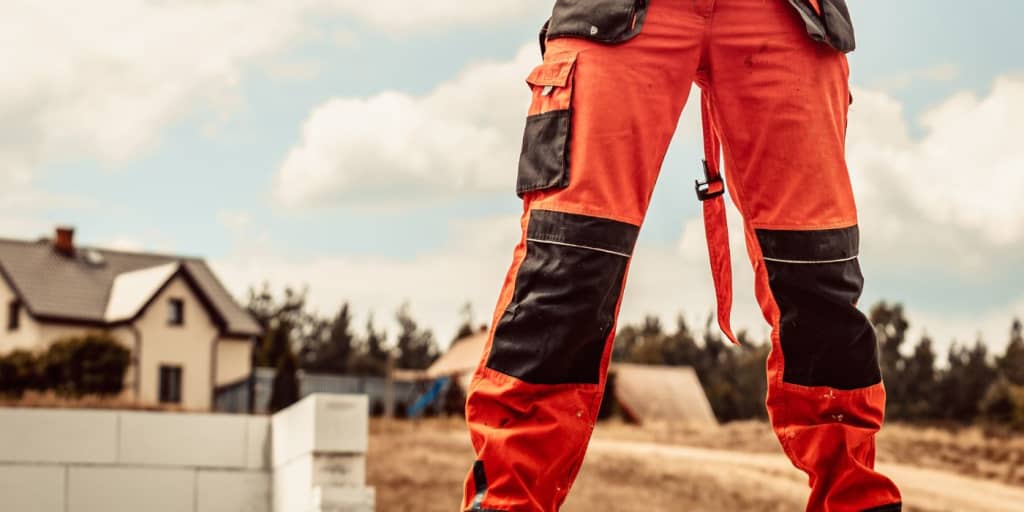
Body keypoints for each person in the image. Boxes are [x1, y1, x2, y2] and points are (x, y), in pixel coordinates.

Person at [461, 1, 901, 511]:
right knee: (569, 264)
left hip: (787, 13)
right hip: (614, 12)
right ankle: (508, 504)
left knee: (816, 272)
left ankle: (854, 502)